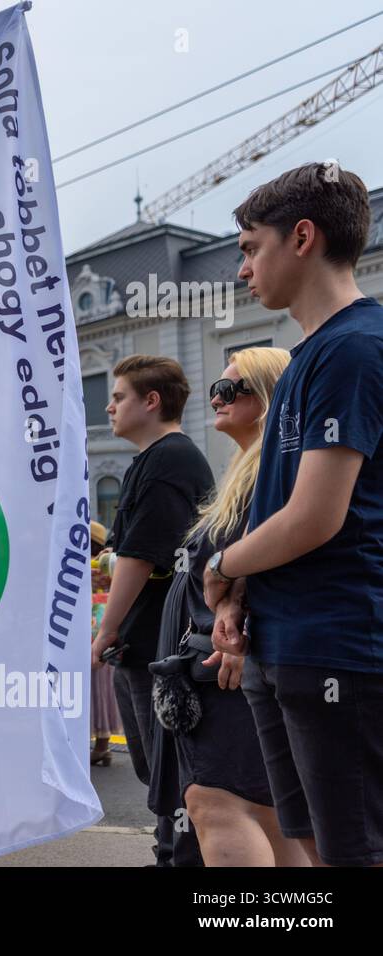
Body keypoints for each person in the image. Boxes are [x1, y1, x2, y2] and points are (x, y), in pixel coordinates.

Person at [205, 163, 383, 867]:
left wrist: (223, 564)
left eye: (251, 247)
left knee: (353, 851)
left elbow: (315, 517)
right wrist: (242, 591)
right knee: (309, 846)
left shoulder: (353, 349)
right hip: (288, 642)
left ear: (302, 237)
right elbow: (286, 511)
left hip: (335, 643)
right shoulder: (312, 355)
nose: (243, 268)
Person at [149, 347, 309, 867]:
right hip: (235, 668)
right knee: (269, 813)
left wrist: (243, 628)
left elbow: (287, 552)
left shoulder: (271, 472)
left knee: (219, 805)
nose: (214, 398)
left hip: (229, 672)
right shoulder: (261, 469)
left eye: (228, 389)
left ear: (267, 398)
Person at [91, 355, 214, 866]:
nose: (109, 405)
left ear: (151, 401)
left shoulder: (170, 460)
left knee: (170, 768)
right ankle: (169, 850)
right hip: (140, 643)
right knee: (152, 764)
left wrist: (106, 629)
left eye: (118, 396)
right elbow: (129, 553)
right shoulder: (153, 459)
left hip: (159, 647)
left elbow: (142, 556)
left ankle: (179, 858)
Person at [88, 521, 120, 767]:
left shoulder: (85, 567)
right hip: (108, 633)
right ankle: (103, 746)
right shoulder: (112, 564)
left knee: (88, 692)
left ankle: (93, 746)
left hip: (88, 635)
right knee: (105, 692)